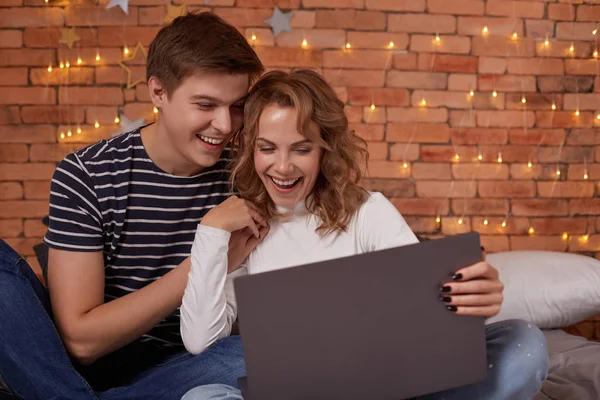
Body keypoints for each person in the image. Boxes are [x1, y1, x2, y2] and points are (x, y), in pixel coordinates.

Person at [179, 69, 549, 400]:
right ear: (251, 150)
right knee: (202, 395)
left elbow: (431, 315)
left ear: (325, 151)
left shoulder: (368, 212)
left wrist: (471, 295)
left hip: (385, 382)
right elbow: (199, 341)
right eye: (267, 149)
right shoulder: (247, 232)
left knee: (522, 341)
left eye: (302, 149)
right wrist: (210, 232)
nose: (283, 166)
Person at [0, 12, 265, 400]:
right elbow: (82, 342)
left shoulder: (248, 174)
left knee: (255, 356)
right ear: (158, 93)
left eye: (237, 106)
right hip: (74, 366)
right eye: (206, 105)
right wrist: (206, 258)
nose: (225, 125)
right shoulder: (87, 173)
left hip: (183, 367)